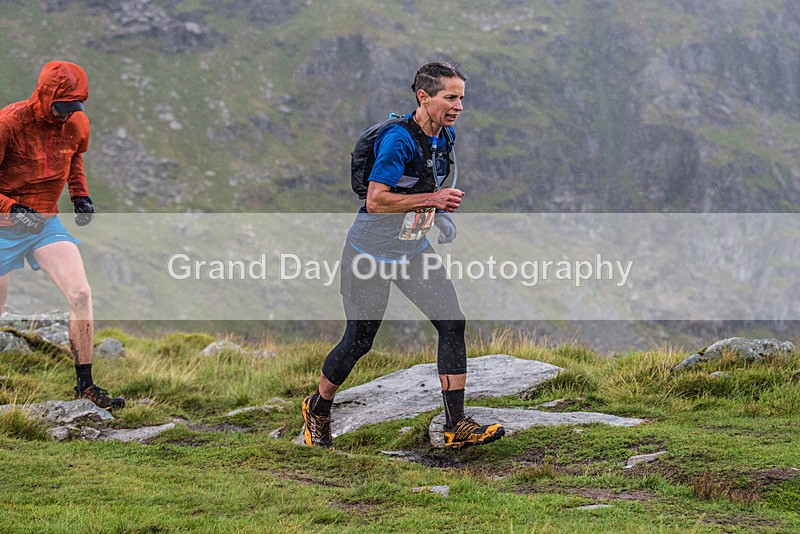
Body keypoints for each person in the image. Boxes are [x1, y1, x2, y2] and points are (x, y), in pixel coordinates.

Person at [302, 61, 504, 449]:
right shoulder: (398, 139)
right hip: (370, 252)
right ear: (423, 97)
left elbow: (422, 183)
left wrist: (437, 216)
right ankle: (318, 409)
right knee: (360, 341)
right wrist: (435, 200)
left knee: (452, 323)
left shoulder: (443, 136)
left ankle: (456, 424)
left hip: (412, 249)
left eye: (462, 97)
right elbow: (376, 201)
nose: (459, 106)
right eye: (450, 97)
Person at [0, 61, 124, 409]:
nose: (65, 115)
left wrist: (80, 196)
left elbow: (75, 159)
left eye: (74, 108)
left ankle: (85, 386)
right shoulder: (8, 123)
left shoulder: (75, 121)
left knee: (81, 293)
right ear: (44, 95)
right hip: (3, 222)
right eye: (61, 107)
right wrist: (12, 210)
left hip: (44, 222)